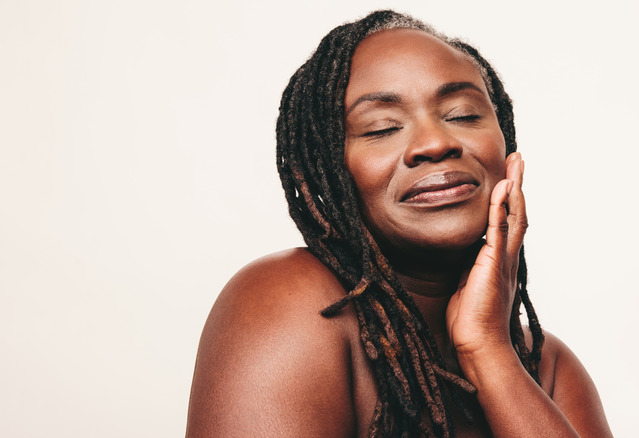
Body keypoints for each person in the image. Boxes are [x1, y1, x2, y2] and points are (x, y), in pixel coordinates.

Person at [186, 10, 612, 438]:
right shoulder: (288, 301)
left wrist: (490, 353)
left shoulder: (548, 368)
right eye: (381, 128)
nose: (435, 143)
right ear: (329, 171)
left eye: (463, 115)